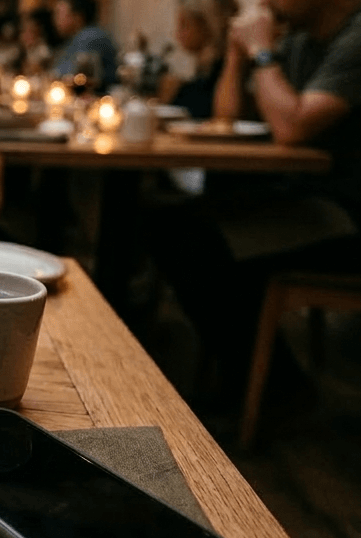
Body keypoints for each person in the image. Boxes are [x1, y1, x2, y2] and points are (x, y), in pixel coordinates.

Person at [146, 0, 361, 402]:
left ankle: (277, 391)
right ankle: (251, 377)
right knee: (168, 220)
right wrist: (235, 55)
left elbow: (291, 125)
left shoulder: (355, 38)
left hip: (346, 214)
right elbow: (226, 119)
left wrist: (262, 51)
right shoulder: (300, 42)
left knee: (193, 238)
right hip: (302, 197)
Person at [158, 0, 227, 118]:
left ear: (205, 26)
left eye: (184, 25)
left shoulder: (221, 71)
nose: (177, 34)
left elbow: (198, 113)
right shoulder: (203, 70)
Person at [51, 0, 117, 89]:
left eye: (59, 13)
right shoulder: (76, 38)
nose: (55, 20)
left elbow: (71, 73)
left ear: (78, 17)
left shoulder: (91, 36)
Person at [17, 7, 61, 76]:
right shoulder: (25, 51)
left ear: (40, 33)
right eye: (23, 31)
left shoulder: (44, 53)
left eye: (31, 31)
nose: (24, 36)